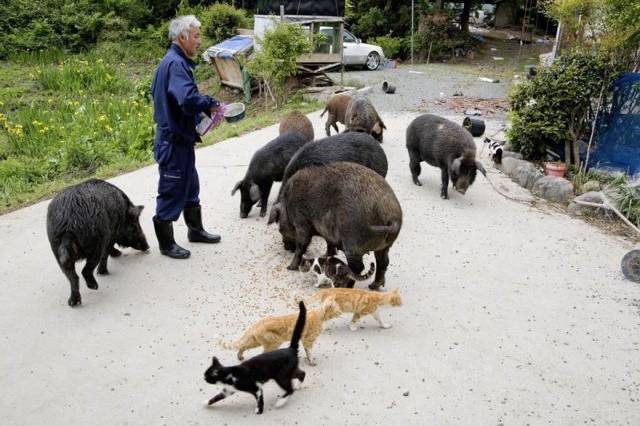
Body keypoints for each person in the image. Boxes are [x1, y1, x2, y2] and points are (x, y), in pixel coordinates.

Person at [150, 15, 222, 259]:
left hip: (181, 140)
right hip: (172, 141)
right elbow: (188, 99)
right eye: (196, 36)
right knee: (171, 188)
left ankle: (195, 230)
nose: (199, 41)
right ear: (182, 37)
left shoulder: (172, 62)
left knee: (190, 185)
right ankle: (166, 244)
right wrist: (211, 104)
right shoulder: (176, 64)